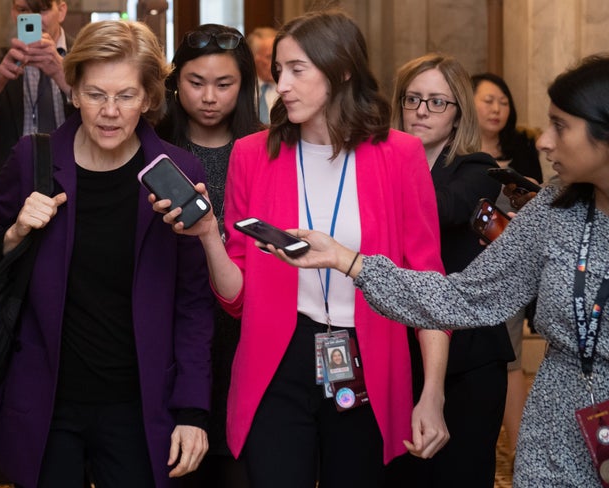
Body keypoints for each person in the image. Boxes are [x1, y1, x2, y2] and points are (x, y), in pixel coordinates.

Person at [275, 53, 609, 488]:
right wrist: (348, 261)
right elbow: (466, 296)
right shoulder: (556, 207)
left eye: (560, 126)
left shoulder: (472, 171)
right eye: (413, 100)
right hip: (556, 429)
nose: (543, 141)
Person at [152, 10, 450, 487]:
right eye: (279, 72)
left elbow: (428, 285)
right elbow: (236, 298)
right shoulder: (253, 154)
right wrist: (210, 235)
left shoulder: (399, 156)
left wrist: (431, 392)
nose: (282, 84)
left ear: (342, 70)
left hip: (365, 355)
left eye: (297, 69)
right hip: (277, 359)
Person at [0, 20, 214, 488]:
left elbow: (193, 303)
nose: (110, 112)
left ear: (149, 99)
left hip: (139, 404)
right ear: (73, 92)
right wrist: (14, 233)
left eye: (126, 96)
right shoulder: (32, 159)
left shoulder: (179, 171)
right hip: (46, 401)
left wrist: (193, 409)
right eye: (96, 94)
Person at [386, 53, 515, 487]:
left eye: (437, 102)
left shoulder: (476, 168)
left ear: (458, 114)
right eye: (413, 99)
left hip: (469, 359)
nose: (421, 110)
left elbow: (442, 208)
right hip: (396, 350)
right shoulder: (379, 165)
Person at [156, 23, 262, 488]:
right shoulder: (155, 150)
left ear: (244, 87)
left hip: (246, 326)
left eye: (224, 84)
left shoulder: (264, 149)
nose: (209, 97)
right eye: (195, 83)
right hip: (172, 329)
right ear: (175, 82)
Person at [471, 71, 544, 457]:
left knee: (512, 359)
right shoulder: (458, 155)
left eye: (503, 101)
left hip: (510, 271)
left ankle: (519, 452)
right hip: (464, 271)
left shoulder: (524, 151)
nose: (497, 108)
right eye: (488, 100)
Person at [0, 0, 73, 208]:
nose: (35, 18)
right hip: (10, 191)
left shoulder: (84, 58)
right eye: (23, 10)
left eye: (43, 9)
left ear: (61, 11)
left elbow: (106, 117)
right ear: (13, 13)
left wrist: (64, 77)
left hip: (72, 185)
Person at [247, 26, 278, 124]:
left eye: (277, 56)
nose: (275, 62)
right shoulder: (243, 88)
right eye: (269, 57)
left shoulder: (288, 88)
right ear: (253, 59)